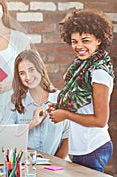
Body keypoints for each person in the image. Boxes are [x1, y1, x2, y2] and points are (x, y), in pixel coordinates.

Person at [49, 9, 114, 172]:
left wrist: (65, 115)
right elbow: (81, 106)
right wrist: (60, 108)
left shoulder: (98, 71)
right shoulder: (81, 67)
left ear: (98, 39)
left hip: (93, 147)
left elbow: (100, 120)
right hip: (80, 147)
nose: (79, 46)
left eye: (85, 40)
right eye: (74, 41)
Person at [9, 49, 69, 158]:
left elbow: (68, 137)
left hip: (55, 168)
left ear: (40, 69)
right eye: (22, 73)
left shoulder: (61, 99)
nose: (28, 77)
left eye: (31, 70)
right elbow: (9, 138)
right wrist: (32, 124)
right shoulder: (15, 103)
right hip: (26, 166)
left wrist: (53, 165)